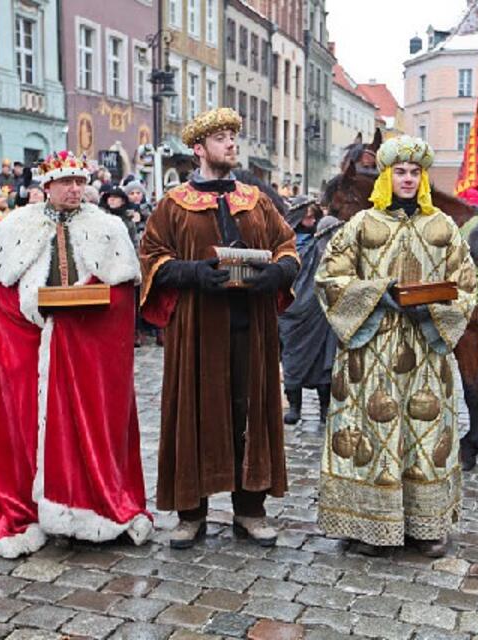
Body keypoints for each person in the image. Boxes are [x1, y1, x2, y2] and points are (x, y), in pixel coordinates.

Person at [0, 150, 151, 558]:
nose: (74, 188)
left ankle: (94, 508)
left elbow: (122, 294)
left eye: (79, 181)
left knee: (95, 424)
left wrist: (80, 311)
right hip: (29, 349)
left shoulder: (107, 227)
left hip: (89, 353)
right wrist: (35, 313)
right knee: (24, 427)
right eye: (65, 182)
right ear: (46, 186)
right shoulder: (17, 225)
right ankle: (27, 512)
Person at [140, 107, 299, 549]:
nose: (232, 144)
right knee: (196, 410)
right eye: (222, 138)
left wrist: (279, 273)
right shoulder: (173, 206)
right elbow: (151, 258)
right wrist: (190, 272)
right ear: (199, 149)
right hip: (198, 329)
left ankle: (250, 510)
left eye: (233, 136)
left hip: (252, 326)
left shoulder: (257, 199)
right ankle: (192, 513)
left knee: (249, 411)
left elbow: (287, 245)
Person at [314, 135, 476, 557]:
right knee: (373, 431)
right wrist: (375, 295)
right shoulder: (361, 225)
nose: (407, 179)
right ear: (386, 177)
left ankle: (428, 526)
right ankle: (369, 524)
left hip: (424, 348)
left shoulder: (443, 227)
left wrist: (435, 310)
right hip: (372, 349)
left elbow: (468, 287)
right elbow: (330, 279)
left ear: (423, 178)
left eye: (414, 172)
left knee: (426, 433)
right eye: (399, 172)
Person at [279, 202, 340, 425]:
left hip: (321, 314)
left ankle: (325, 407)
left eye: (314, 218)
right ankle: (295, 406)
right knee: (293, 362)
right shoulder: (287, 245)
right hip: (294, 314)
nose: (311, 222)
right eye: (306, 218)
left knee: (325, 362)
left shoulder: (324, 248)